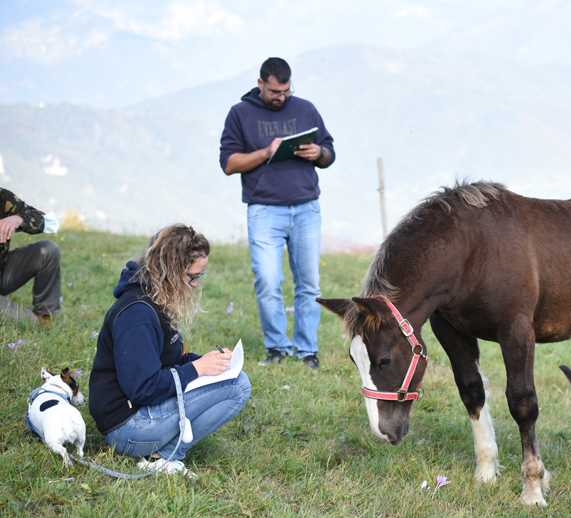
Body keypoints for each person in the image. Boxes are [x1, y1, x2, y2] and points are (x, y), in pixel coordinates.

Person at [89, 225, 252, 477]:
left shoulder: (156, 297)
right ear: (172, 272)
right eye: (192, 276)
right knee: (238, 386)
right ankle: (165, 457)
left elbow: (170, 360)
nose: (196, 284)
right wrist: (197, 369)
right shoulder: (137, 314)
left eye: (200, 275)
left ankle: (160, 454)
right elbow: (142, 388)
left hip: (136, 417)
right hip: (126, 428)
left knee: (233, 378)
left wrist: (210, 363)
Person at [219, 56, 335, 370]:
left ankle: (306, 350)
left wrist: (318, 153)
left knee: (309, 284)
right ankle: (277, 348)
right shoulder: (240, 114)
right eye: (274, 92)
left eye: (285, 90)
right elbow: (229, 164)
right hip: (264, 211)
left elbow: (329, 151)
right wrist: (266, 152)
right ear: (261, 84)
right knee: (268, 281)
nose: (281, 97)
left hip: (306, 209)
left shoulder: (305, 108)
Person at [0, 187, 61, 324]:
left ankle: (44, 315)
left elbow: (52, 224)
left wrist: (18, 219)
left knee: (48, 250)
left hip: (2, 273)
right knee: (30, 322)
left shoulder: (3, 197)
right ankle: (34, 321)